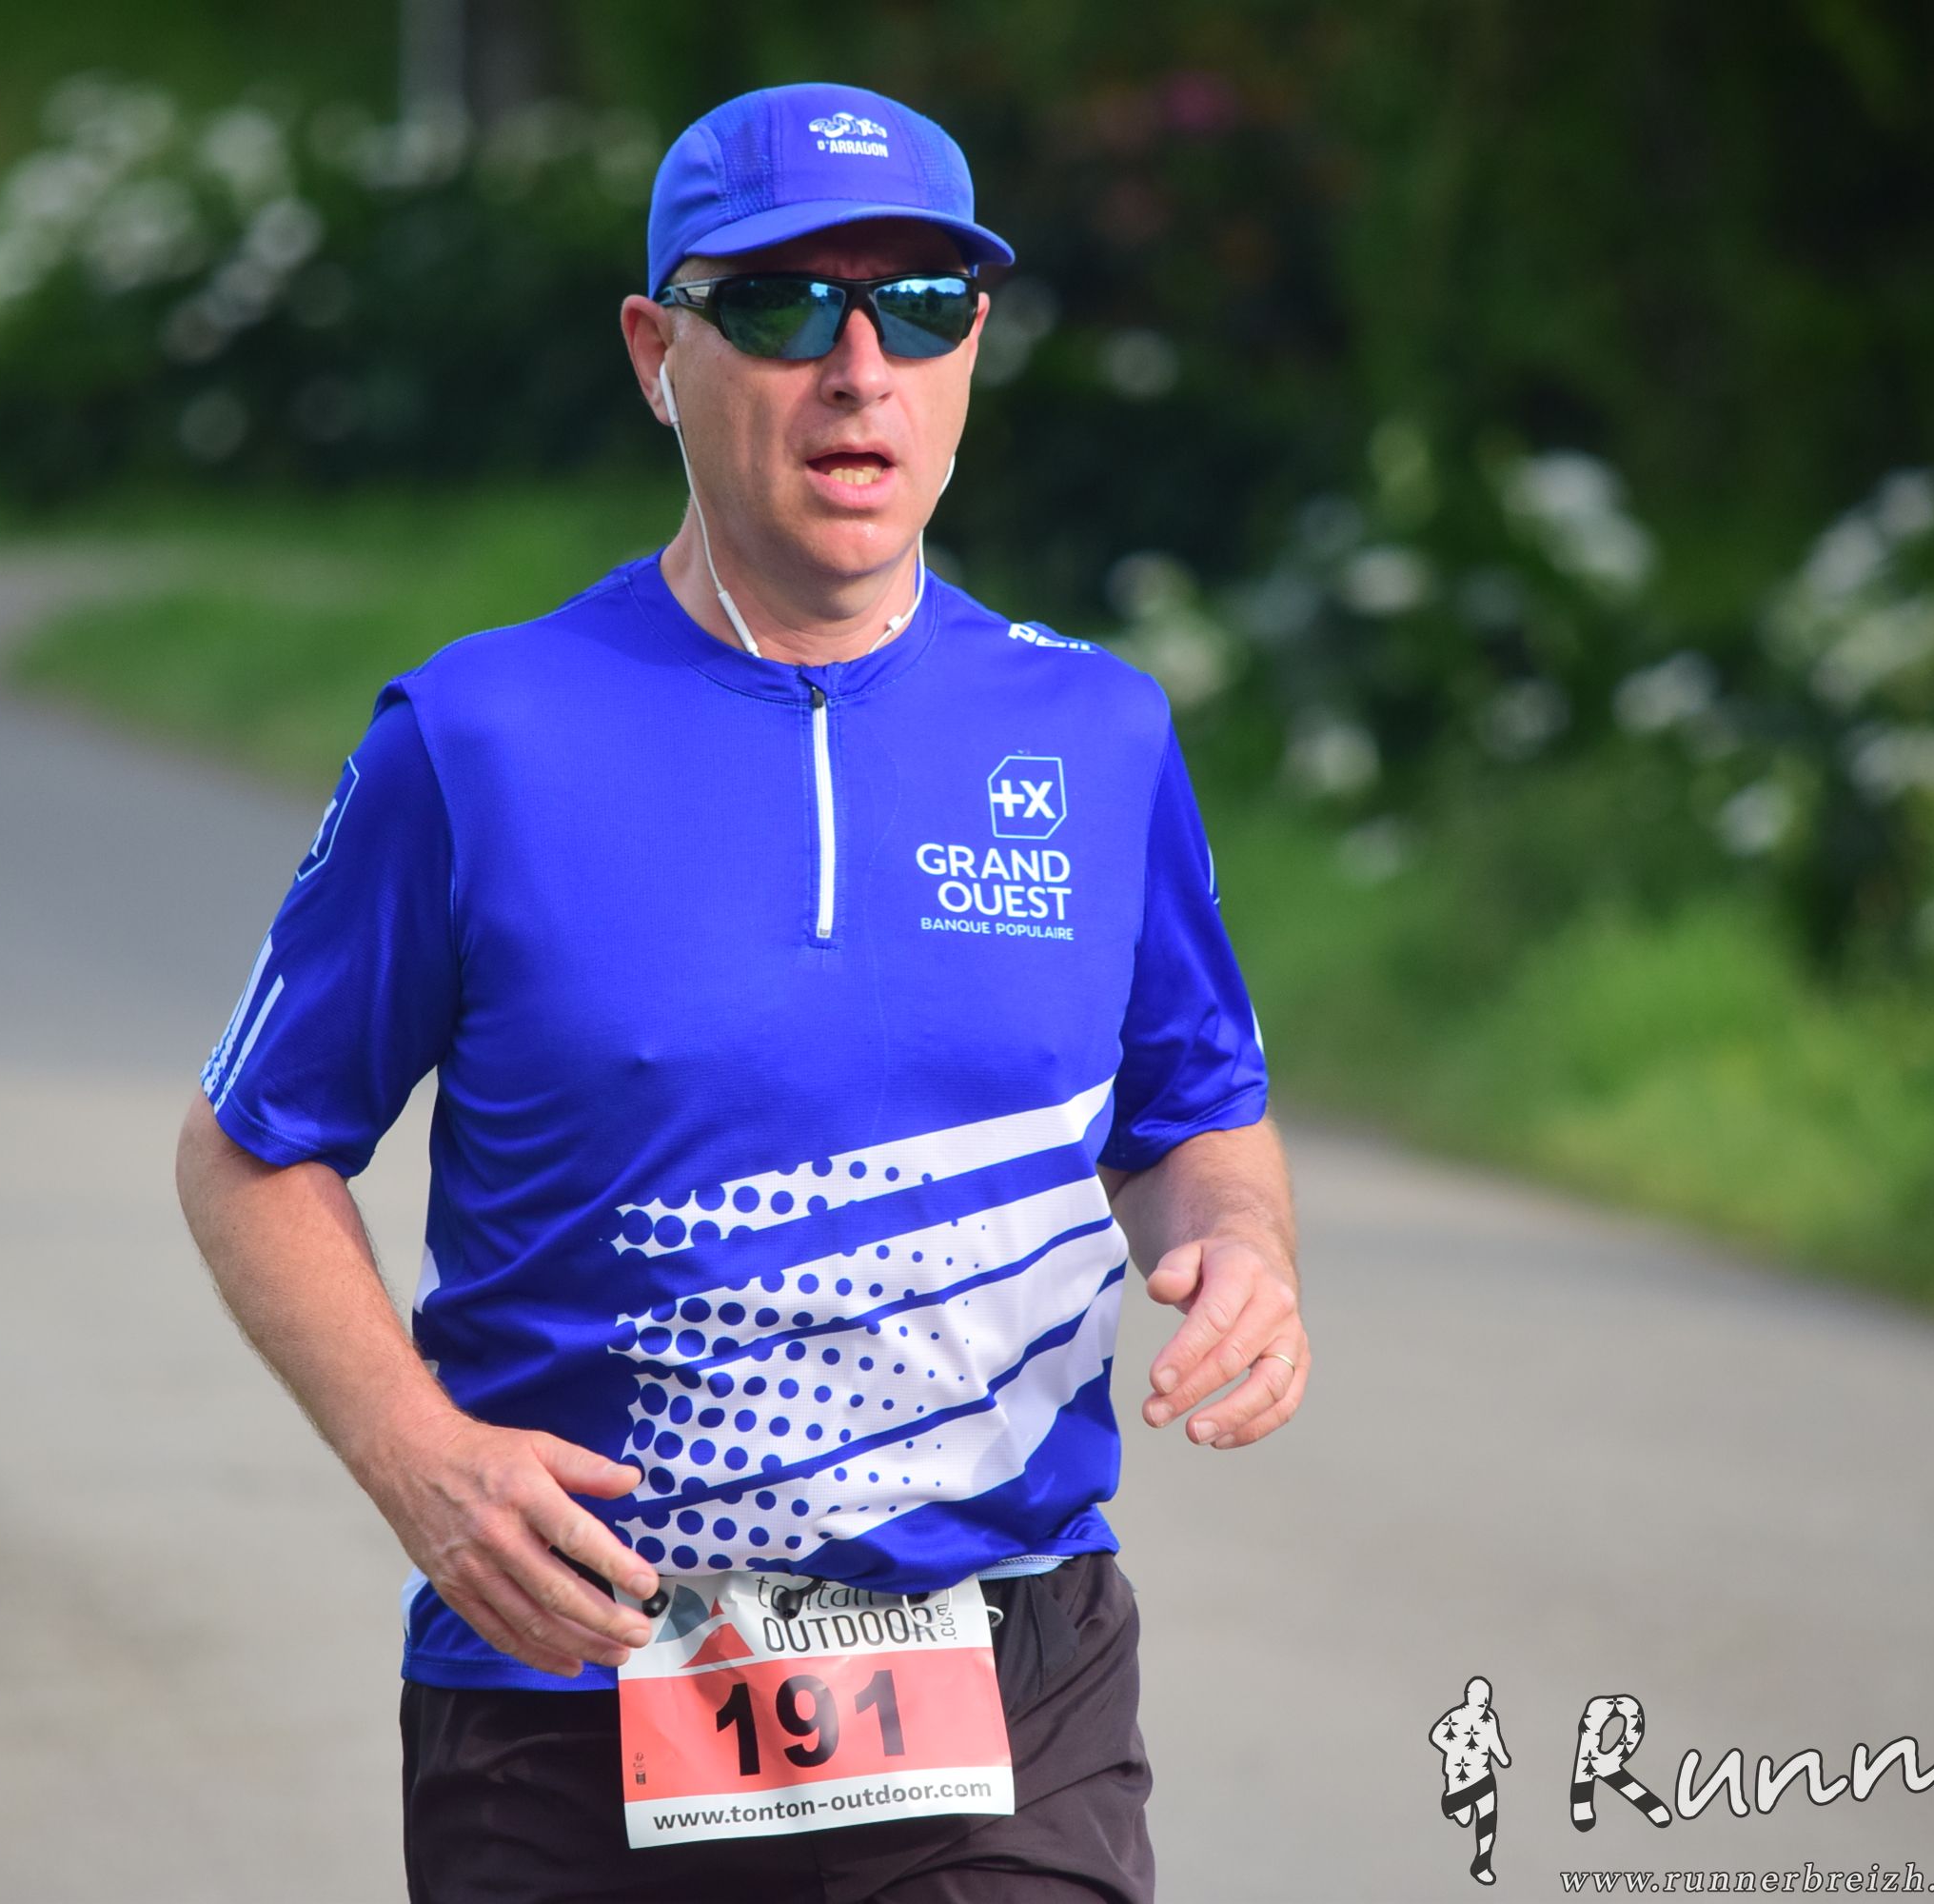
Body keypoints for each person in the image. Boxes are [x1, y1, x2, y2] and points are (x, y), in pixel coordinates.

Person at [176, 82, 1308, 1903]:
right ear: (656, 352)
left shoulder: (1097, 731)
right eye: (783, 306)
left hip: (1001, 1675)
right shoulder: (479, 736)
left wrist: (1239, 1247)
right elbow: (252, 1149)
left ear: (971, 349)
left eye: (918, 308)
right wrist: (414, 1455)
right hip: (573, 1679)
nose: (860, 369)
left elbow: (1193, 1114)